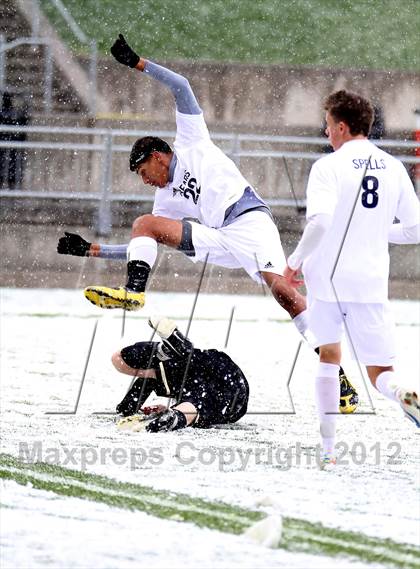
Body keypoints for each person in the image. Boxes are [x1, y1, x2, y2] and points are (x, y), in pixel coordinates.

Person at [57, 34, 358, 414]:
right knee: (144, 224)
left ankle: (338, 375)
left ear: (158, 155)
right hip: (218, 237)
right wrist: (92, 249)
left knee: (282, 292)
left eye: (142, 170)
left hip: (250, 222)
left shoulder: (191, 140)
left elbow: (180, 86)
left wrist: (138, 63)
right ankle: (134, 292)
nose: (143, 179)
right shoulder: (164, 199)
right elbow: (141, 245)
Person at [284, 89, 420, 470]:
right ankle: (402, 393)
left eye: (328, 125)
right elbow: (415, 229)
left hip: (327, 281)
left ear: (342, 127)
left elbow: (322, 222)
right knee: (381, 373)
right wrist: (375, 230)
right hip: (370, 282)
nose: (326, 133)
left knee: (329, 358)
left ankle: (328, 449)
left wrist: (294, 262)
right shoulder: (392, 167)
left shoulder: (327, 167)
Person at [113, 317, 249, 432]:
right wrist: (129, 408)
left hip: (228, 391)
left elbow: (189, 410)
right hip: (218, 366)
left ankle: (173, 351)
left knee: (194, 406)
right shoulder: (186, 375)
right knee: (119, 359)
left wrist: (134, 415)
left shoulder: (196, 392)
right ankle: (171, 350)